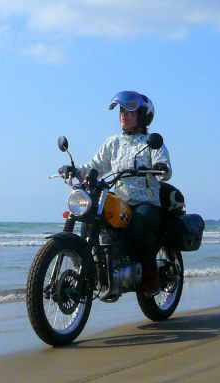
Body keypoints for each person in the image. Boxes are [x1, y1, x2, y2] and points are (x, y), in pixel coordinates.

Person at [62, 91, 172, 295]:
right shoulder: (113, 142)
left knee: (140, 227)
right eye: (122, 111)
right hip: (119, 203)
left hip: (144, 202)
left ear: (142, 115)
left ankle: (150, 275)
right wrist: (75, 170)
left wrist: (160, 167)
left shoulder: (150, 142)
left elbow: (165, 166)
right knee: (90, 220)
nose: (124, 115)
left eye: (129, 111)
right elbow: (95, 165)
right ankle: (93, 269)